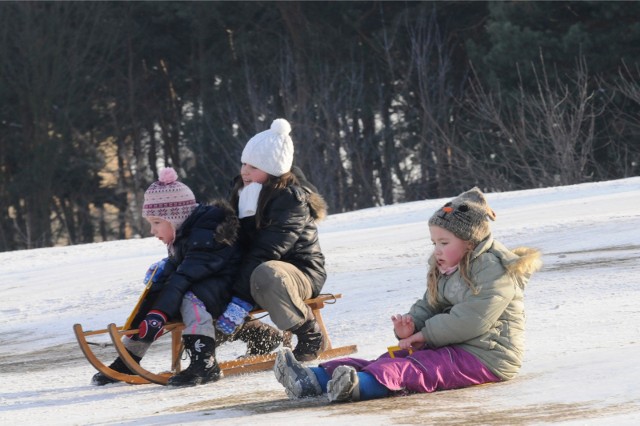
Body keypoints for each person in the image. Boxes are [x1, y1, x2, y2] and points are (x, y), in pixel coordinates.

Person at [273, 187, 542, 402]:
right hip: (453, 345)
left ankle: (359, 387)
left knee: (417, 368)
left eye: (444, 243)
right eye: (434, 242)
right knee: (390, 359)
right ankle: (314, 379)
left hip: (488, 356)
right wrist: (410, 326)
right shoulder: (446, 269)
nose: (437, 249)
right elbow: (429, 304)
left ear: (470, 243)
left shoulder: (493, 270)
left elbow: (471, 320)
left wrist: (423, 335)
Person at [91, 167, 241, 387]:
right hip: (207, 285)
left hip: (230, 288)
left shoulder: (206, 233)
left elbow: (184, 277)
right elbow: (176, 275)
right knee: (157, 289)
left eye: (157, 222)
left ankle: (204, 362)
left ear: (176, 217)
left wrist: (159, 314)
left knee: (189, 298)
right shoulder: (185, 234)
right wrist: (153, 306)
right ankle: (130, 357)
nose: (152, 230)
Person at [217, 118, 328, 362]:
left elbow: (267, 251)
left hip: (297, 272)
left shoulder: (290, 199)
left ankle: (309, 333)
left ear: (273, 170)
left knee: (266, 273)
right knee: (213, 273)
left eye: (253, 167)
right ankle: (257, 334)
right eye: (244, 163)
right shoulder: (241, 191)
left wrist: (239, 300)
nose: (244, 171)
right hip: (256, 269)